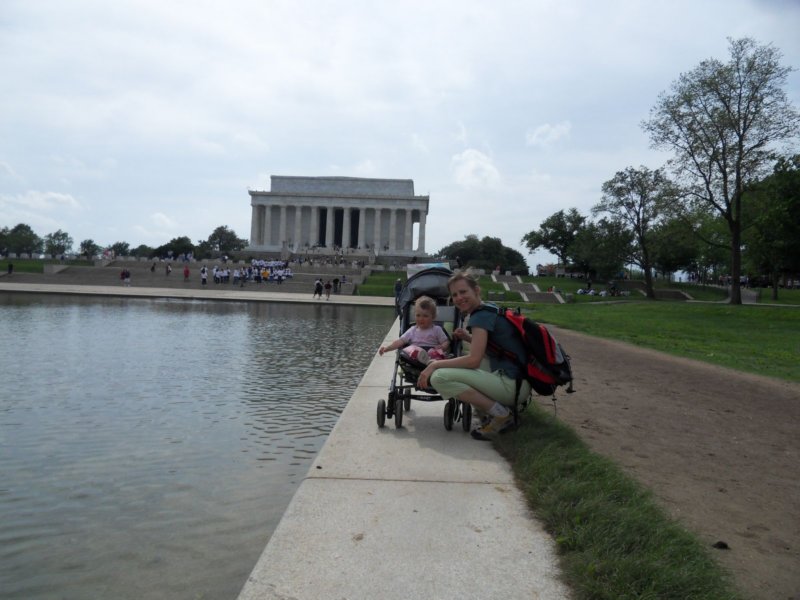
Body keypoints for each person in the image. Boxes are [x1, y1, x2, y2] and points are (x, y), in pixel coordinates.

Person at [418, 272, 531, 441]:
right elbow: (492, 350)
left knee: (439, 377)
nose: (458, 298)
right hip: (520, 382)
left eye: (463, 292)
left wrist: (434, 365)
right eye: (454, 294)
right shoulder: (489, 308)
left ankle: (502, 415)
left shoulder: (479, 317)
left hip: (511, 387)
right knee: (460, 362)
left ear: (476, 290)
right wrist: (469, 338)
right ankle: (499, 410)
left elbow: (473, 361)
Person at [379, 296, 450, 364]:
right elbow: (400, 341)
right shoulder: (412, 330)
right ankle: (422, 357)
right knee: (408, 349)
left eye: (425, 316)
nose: (421, 319)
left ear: (433, 317)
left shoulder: (437, 329)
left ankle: (428, 360)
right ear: (414, 315)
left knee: (437, 353)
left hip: (432, 353)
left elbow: (446, 341)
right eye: (418, 315)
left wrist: (443, 347)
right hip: (415, 355)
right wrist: (387, 348)